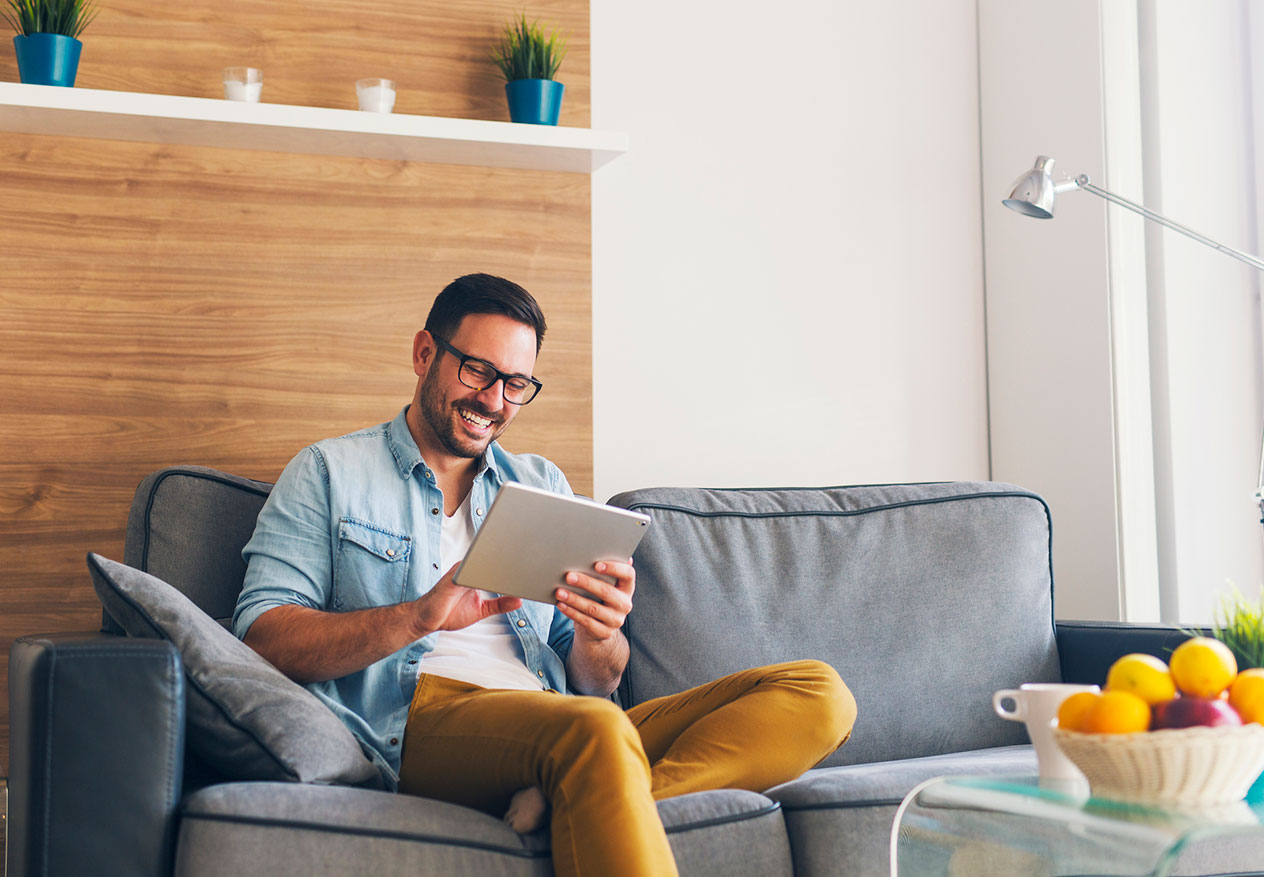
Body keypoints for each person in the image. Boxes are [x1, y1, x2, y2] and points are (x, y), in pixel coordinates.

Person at [234, 273, 857, 876]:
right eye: (478, 370)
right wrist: (415, 617)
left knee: (817, 693)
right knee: (593, 732)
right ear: (425, 353)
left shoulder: (540, 485)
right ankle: (586, 780)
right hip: (422, 720)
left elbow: (595, 682)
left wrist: (598, 635)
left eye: (516, 383)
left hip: (559, 716)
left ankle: (586, 791)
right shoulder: (328, 472)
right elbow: (264, 639)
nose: (494, 400)